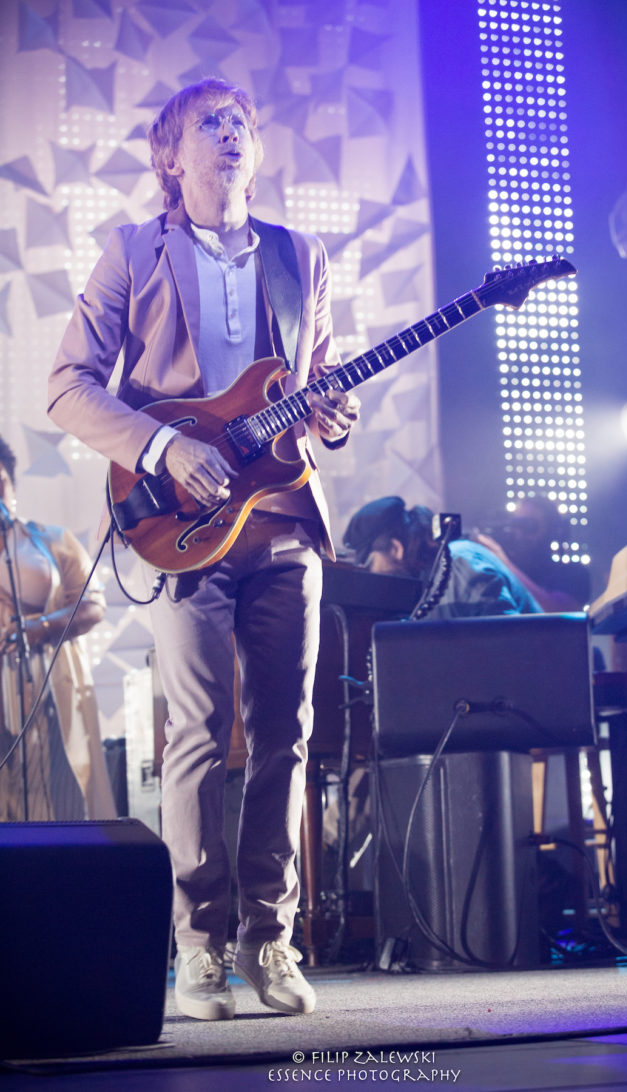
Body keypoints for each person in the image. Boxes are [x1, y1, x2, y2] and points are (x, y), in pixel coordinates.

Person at [47, 78, 360, 1020]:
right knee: (193, 736)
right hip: (178, 528)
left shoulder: (301, 258)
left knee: (285, 737)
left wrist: (333, 414)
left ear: (255, 156)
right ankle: (200, 950)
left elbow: (313, 390)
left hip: (282, 520)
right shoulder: (132, 254)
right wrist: (162, 444)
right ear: (169, 157)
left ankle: (273, 940)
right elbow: (66, 384)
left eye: (242, 125)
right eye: (210, 125)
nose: (231, 135)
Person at [0, 436, 113, 822]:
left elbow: (94, 605)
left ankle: (70, 876)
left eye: (0, 484)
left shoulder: (53, 542)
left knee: (65, 800)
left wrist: (40, 626)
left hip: (52, 684)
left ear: (12, 486)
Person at [343, 496, 542, 618]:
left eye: (370, 563)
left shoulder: (460, 563)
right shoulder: (433, 581)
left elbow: (512, 644)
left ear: (396, 549)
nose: (372, 572)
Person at [473, 495, 591, 612]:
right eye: (516, 524)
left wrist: (503, 562)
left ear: (551, 530)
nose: (519, 533)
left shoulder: (573, 573)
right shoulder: (500, 572)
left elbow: (560, 613)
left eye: (529, 525)